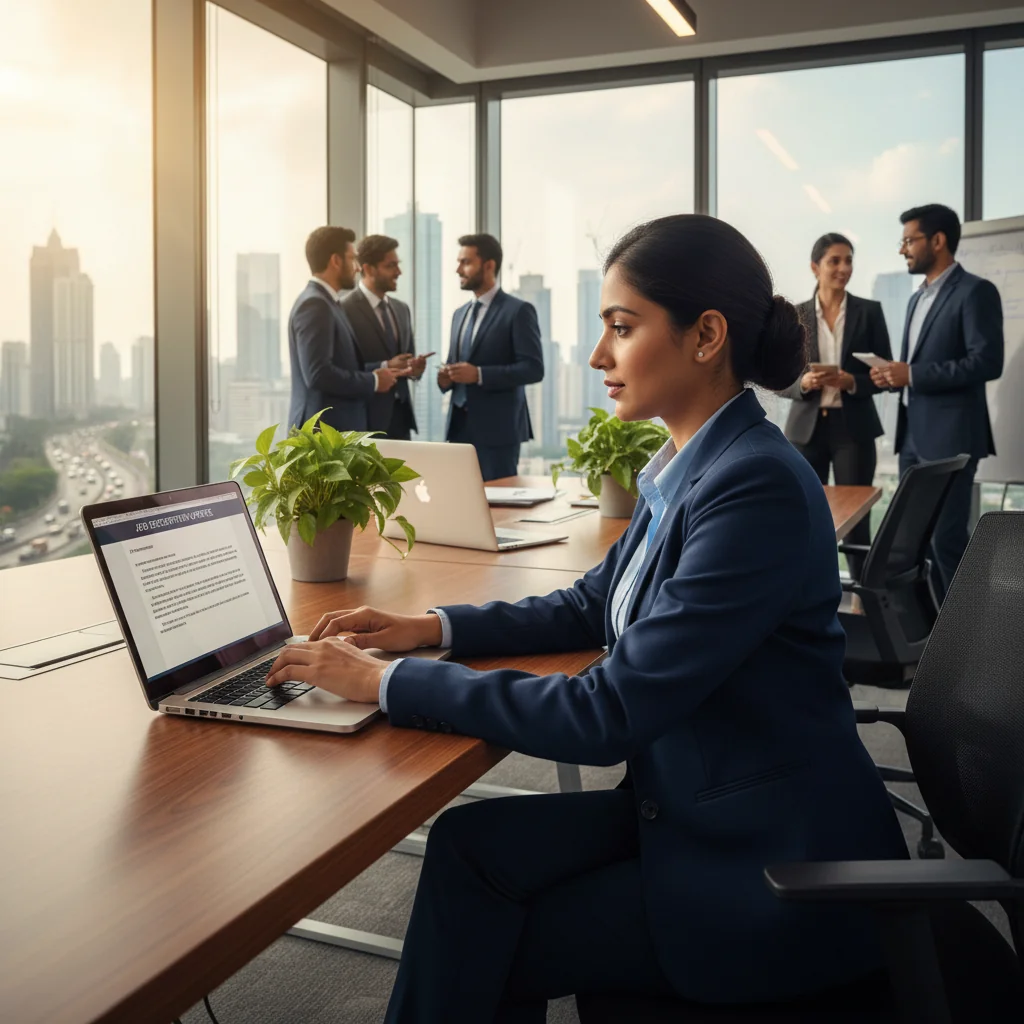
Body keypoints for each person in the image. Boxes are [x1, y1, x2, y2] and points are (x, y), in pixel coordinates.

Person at [266, 215, 908, 1022]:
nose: (600, 356)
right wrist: (428, 629)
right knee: (468, 853)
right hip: (695, 800)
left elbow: (609, 712)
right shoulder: (691, 462)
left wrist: (388, 683)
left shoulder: (756, 487)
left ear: (706, 336)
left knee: (484, 937)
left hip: (765, 856)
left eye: (621, 327)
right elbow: (590, 603)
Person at [870, 204, 1003, 601]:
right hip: (912, 437)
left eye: (909, 240)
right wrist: (894, 377)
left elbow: (986, 362)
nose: (903, 250)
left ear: (938, 241)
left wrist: (912, 375)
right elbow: (918, 366)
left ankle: (969, 638)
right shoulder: (916, 300)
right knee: (918, 545)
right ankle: (934, 635)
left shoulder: (975, 291)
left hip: (951, 437)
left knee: (948, 542)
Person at [782, 233, 892, 575]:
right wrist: (803, 382)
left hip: (853, 427)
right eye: (835, 261)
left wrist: (852, 382)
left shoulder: (869, 312)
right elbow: (779, 376)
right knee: (803, 514)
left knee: (857, 519)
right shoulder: (795, 314)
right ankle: (804, 594)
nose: (844, 268)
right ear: (816, 267)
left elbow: (884, 372)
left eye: (849, 260)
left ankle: (861, 598)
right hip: (806, 430)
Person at [439, 233, 544, 481]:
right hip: (458, 431)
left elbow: (533, 368)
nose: (458, 269)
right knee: (459, 503)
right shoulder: (459, 314)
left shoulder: (518, 311)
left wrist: (479, 375)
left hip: (498, 433)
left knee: (499, 508)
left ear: (489, 265)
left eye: (465, 262)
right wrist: (445, 379)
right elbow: (455, 364)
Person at [287, 226, 403, 433]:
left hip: (335, 433)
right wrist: (373, 381)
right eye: (353, 259)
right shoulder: (315, 304)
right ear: (336, 261)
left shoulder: (329, 303)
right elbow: (318, 374)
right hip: (323, 435)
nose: (357, 268)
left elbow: (341, 364)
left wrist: (378, 372)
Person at [341, 235, 427, 440]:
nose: (399, 272)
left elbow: (407, 360)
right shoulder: (344, 310)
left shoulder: (402, 309)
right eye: (391, 266)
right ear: (368, 269)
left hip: (402, 419)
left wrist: (414, 369)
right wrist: (385, 365)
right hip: (365, 421)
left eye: (398, 265)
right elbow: (342, 370)